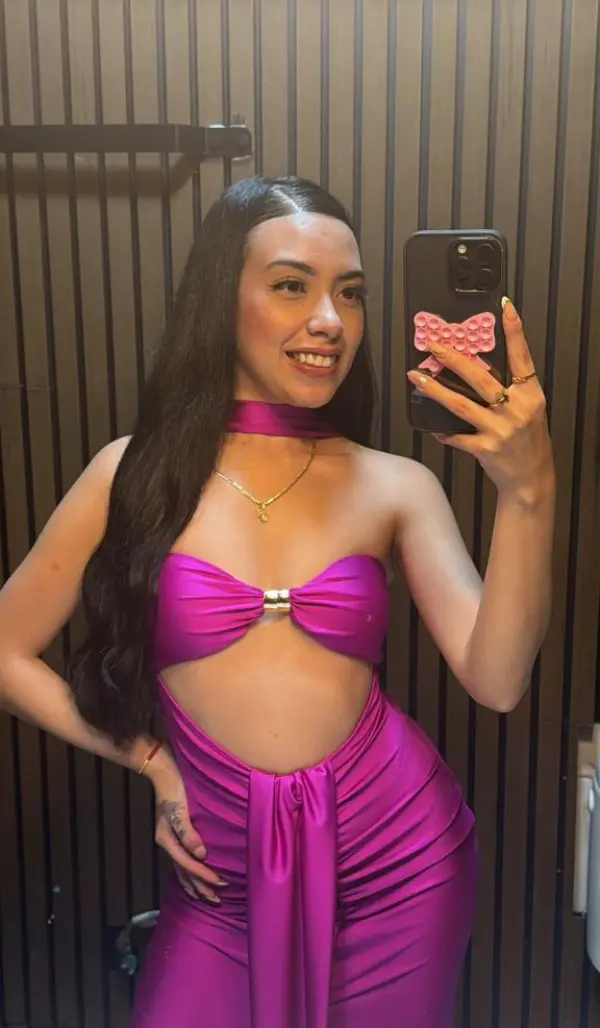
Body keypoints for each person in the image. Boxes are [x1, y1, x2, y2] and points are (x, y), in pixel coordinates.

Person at [0, 176, 555, 1028]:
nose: (330, 320)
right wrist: (151, 762)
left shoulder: (396, 485)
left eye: (351, 293)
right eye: (292, 285)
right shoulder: (130, 474)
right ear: (221, 299)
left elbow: (499, 680)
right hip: (220, 880)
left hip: (401, 867)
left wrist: (529, 492)